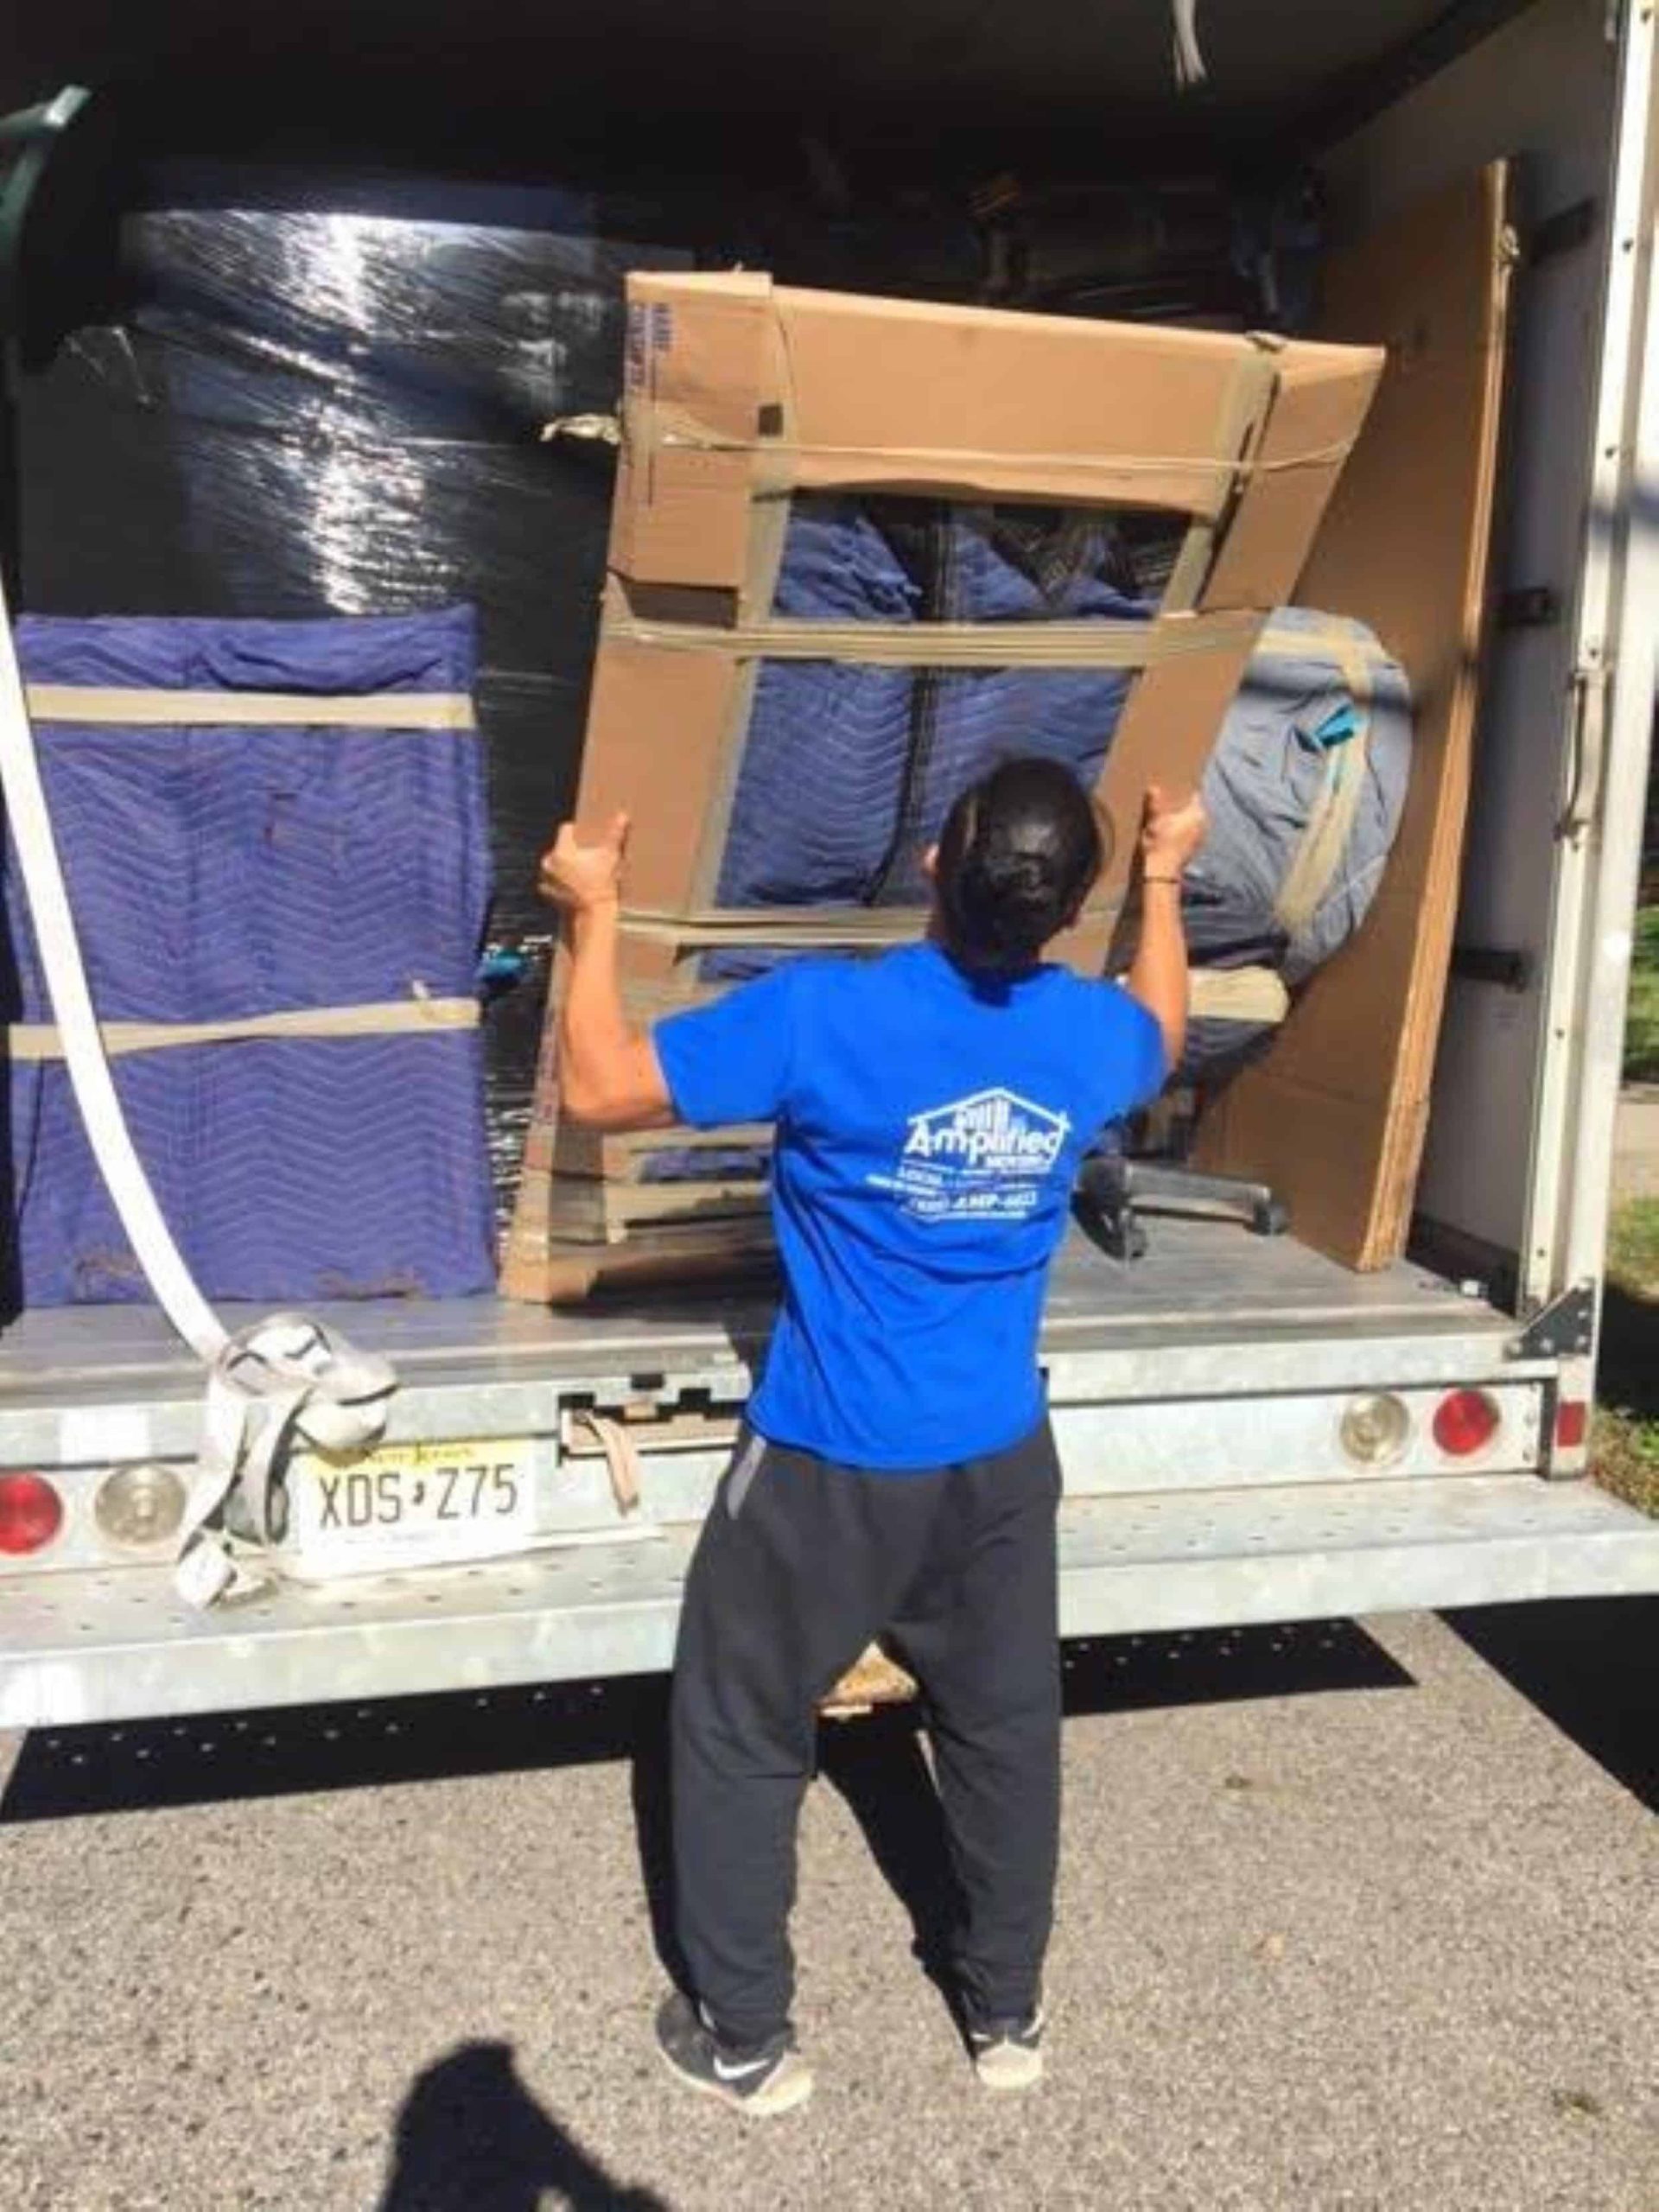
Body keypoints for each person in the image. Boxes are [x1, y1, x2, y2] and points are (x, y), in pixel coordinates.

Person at [537, 756, 1207, 2118]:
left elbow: (604, 1090)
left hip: (831, 1458)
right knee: (1006, 1732)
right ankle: (1006, 2015)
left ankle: (743, 2040)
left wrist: (589, 911)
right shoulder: (1089, 1039)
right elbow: (1167, 1028)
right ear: (1063, 915)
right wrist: (1167, 877)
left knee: (739, 1727)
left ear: (928, 869)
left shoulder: (822, 1019)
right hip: (1000, 1463)